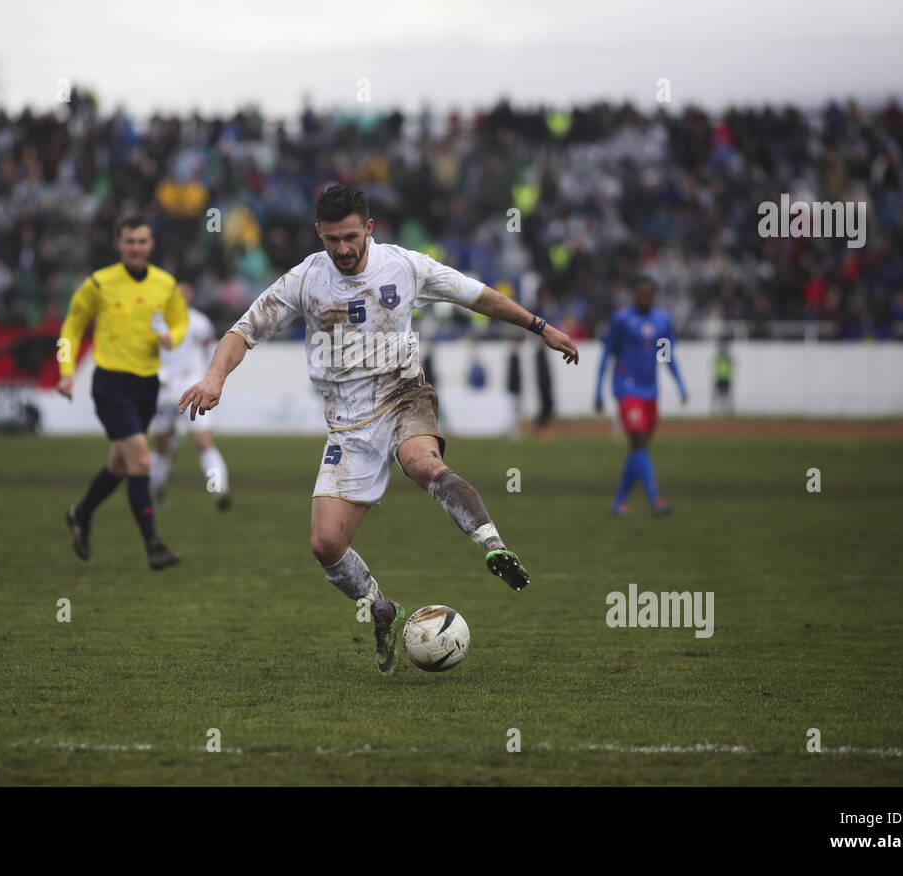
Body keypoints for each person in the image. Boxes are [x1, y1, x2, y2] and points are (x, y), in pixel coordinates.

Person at [179, 184, 578, 676]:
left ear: (369, 228)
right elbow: (244, 331)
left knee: (421, 463)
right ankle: (383, 610)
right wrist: (215, 377)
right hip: (347, 426)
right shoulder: (305, 278)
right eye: (331, 240)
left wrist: (540, 327)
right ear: (318, 234)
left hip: (403, 395)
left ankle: (493, 545)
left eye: (350, 237)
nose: (342, 249)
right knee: (325, 545)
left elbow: (479, 297)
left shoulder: (405, 266)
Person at [58, 215, 187, 570]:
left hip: (146, 384)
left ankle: (80, 514)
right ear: (118, 244)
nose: (136, 248)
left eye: (142, 241)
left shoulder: (165, 284)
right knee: (141, 460)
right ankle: (153, 545)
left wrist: (171, 338)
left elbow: (181, 321)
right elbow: (71, 326)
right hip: (111, 384)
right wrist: (66, 372)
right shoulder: (99, 283)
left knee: (119, 463)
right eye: (129, 241)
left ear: (151, 245)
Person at [594, 275, 687, 516]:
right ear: (634, 294)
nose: (644, 297)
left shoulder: (662, 320)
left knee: (639, 448)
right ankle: (655, 498)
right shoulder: (621, 319)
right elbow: (607, 354)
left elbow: (667, 356)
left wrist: (680, 385)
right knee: (637, 441)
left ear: (654, 295)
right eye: (640, 293)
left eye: (648, 293)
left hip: (650, 390)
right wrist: (598, 390)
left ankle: (619, 501)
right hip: (626, 388)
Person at [147, 282, 231, 510]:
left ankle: (219, 490)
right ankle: (155, 494)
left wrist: (208, 379)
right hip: (163, 388)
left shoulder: (200, 322)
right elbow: (146, 353)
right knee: (162, 447)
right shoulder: (156, 321)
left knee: (203, 442)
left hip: (191, 385)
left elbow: (211, 353)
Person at [711, 339, 735, 416]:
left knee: (727, 395)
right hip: (719, 378)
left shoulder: (728, 358)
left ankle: (729, 411)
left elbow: (732, 366)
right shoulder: (719, 358)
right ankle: (715, 411)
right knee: (717, 395)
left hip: (726, 378)